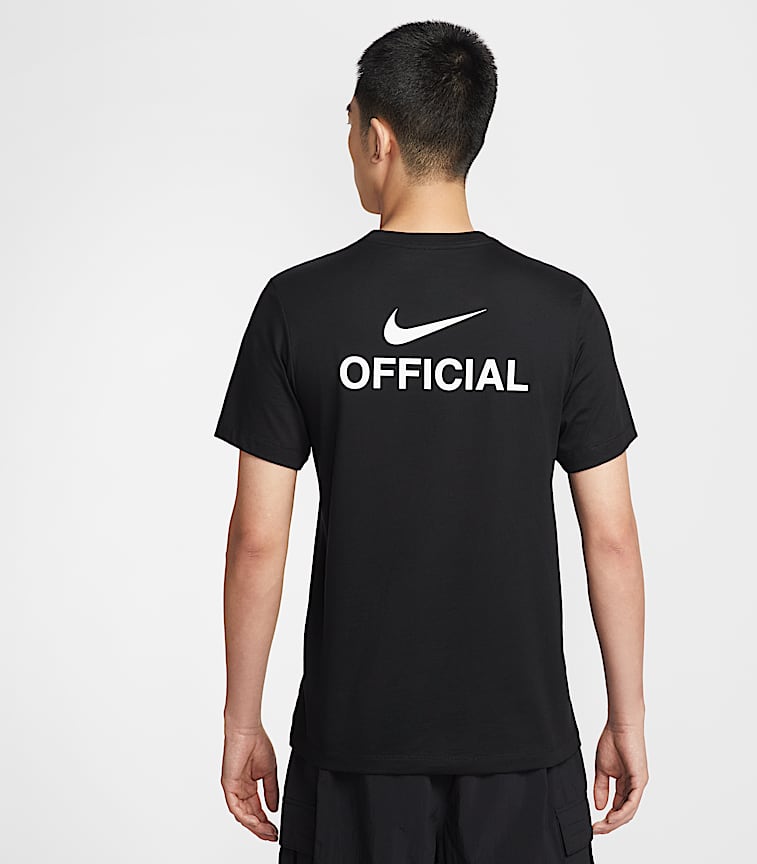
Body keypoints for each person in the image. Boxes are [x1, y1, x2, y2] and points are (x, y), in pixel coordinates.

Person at [214, 19, 648, 864]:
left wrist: (241, 722)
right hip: (523, 747)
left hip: (353, 749)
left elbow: (257, 538)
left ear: (378, 138)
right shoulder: (561, 309)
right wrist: (626, 718)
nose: (349, 145)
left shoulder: (297, 306)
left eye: (349, 126)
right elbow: (613, 537)